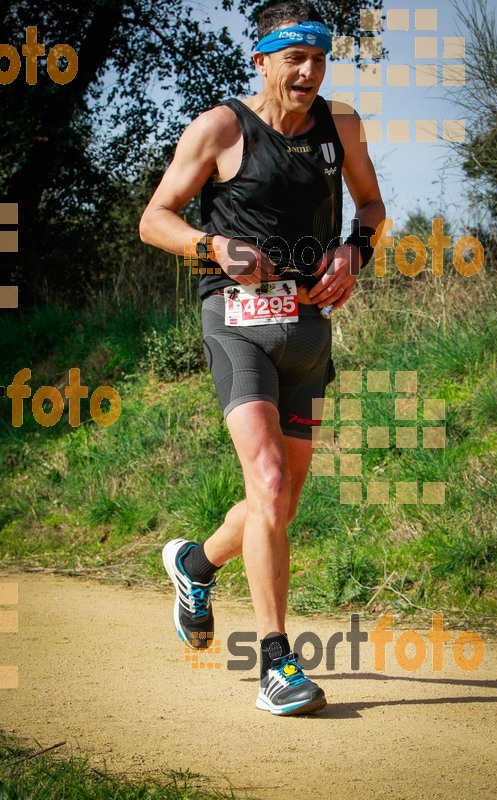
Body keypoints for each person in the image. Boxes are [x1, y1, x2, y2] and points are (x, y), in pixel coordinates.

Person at [139, 0, 385, 716]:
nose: (308, 72)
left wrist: (354, 250)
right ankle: (276, 664)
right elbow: (155, 219)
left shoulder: (340, 128)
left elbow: (369, 208)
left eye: (318, 59)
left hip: (308, 333)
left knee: (274, 503)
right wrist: (212, 246)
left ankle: (193, 564)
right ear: (263, 62)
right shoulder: (221, 127)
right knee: (269, 479)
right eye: (294, 59)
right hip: (237, 324)